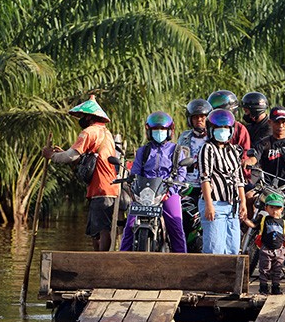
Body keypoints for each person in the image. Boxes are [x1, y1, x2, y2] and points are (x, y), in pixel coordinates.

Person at [42, 97, 119, 251]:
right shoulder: (105, 133)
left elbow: (72, 155)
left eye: (82, 116)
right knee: (97, 229)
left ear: (89, 116)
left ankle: (101, 261)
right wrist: (61, 153)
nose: (81, 120)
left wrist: (52, 156)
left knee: (101, 228)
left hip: (101, 188)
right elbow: (84, 157)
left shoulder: (90, 132)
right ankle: (99, 258)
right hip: (108, 187)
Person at [245, 106, 285, 281]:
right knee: (261, 219)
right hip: (271, 190)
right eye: (277, 122)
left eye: (283, 122)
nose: (280, 125)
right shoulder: (264, 143)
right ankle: (250, 250)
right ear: (271, 123)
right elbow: (254, 157)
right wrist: (248, 162)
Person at [119, 112, 188, 252]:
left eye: (162, 130)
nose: (159, 133)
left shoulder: (176, 150)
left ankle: (181, 261)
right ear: (149, 131)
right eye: (156, 130)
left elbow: (181, 173)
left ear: (169, 131)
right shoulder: (143, 151)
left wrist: (171, 191)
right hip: (144, 193)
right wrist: (133, 189)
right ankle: (122, 257)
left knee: (176, 225)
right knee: (130, 225)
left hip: (167, 191)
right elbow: (136, 172)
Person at [198, 109, 247, 254]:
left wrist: (243, 202)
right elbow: (205, 179)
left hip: (233, 206)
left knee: (232, 249)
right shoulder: (207, 149)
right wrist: (209, 205)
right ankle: (211, 277)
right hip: (215, 204)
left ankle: (230, 277)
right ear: (211, 130)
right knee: (215, 249)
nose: (223, 131)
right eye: (219, 128)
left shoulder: (233, 150)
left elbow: (239, 179)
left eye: (226, 128)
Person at [256, 193, 285, 295]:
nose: (274, 210)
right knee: (264, 268)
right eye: (271, 207)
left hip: (279, 249)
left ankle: (276, 287)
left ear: (282, 209)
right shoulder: (264, 219)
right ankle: (263, 287)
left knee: (277, 269)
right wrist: (245, 220)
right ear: (266, 208)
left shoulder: (283, 222)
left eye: (278, 208)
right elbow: (254, 226)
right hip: (266, 248)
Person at [177, 99, 213, 192]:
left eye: (202, 117)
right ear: (190, 120)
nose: (199, 120)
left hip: (209, 186)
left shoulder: (214, 138)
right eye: (195, 117)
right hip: (187, 185)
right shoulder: (184, 137)